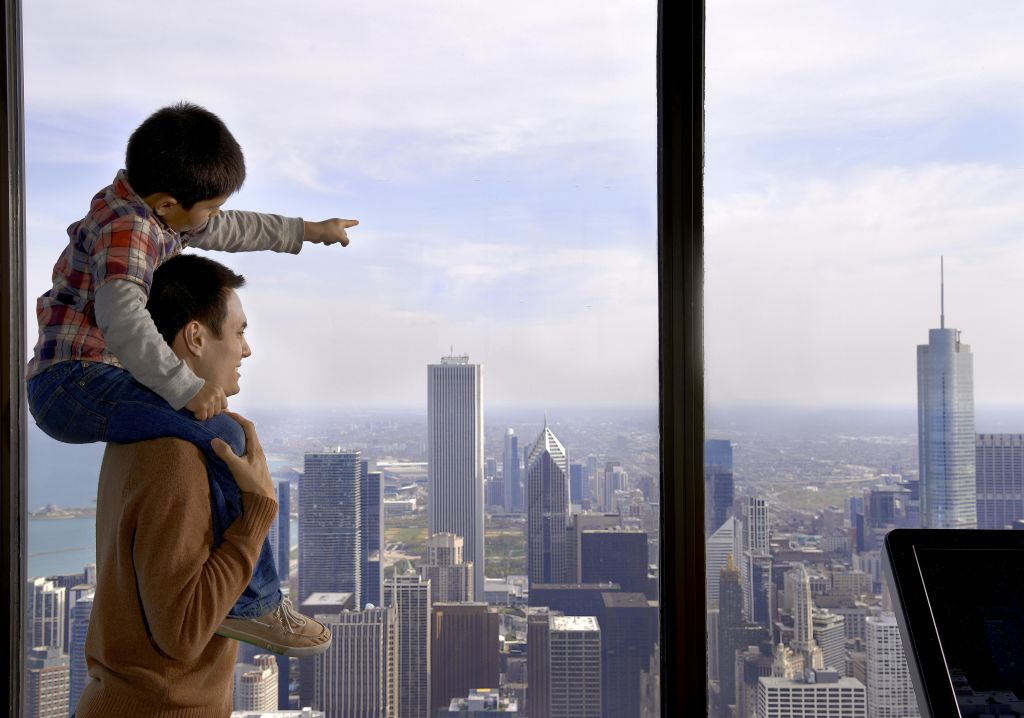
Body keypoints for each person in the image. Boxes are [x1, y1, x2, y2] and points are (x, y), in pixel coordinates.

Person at [25, 102, 353, 653]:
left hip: (82, 381)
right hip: (75, 384)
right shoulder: (129, 230)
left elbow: (232, 228)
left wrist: (306, 231)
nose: (211, 221)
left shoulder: (150, 214)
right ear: (169, 203)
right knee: (223, 435)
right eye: (208, 209)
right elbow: (122, 316)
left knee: (226, 429)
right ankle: (256, 606)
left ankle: (250, 601)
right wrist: (186, 386)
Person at [75, 254, 329, 717]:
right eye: (239, 331)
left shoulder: (139, 433)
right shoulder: (174, 454)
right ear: (195, 337)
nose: (247, 350)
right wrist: (257, 512)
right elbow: (183, 631)